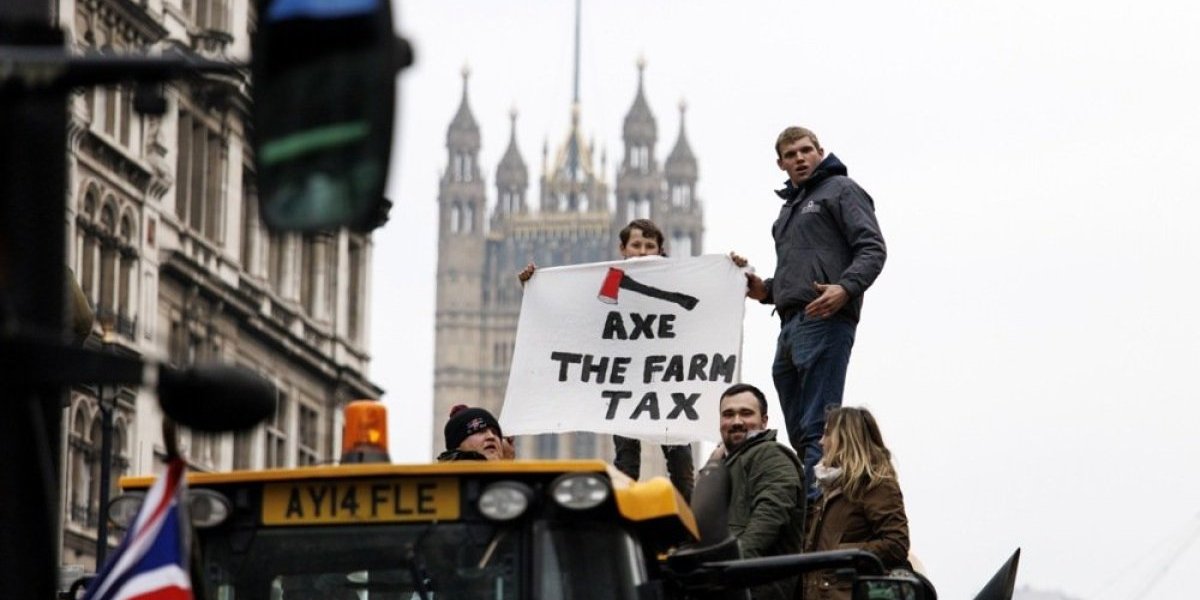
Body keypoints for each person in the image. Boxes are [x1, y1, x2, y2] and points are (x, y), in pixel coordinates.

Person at [519, 219, 721, 501]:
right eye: (636, 245)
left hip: (666, 384)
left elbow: (713, 299)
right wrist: (535, 284)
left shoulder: (678, 279)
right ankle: (624, 514)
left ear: (661, 250)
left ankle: (686, 523)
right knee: (626, 463)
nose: (642, 251)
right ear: (622, 248)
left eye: (649, 246)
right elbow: (575, 312)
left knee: (681, 463)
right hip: (623, 385)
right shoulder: (609, 278)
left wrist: (733, 270)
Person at [745, 126, 886, 497]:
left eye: (806, 150)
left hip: (823, 319)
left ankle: (815, 509)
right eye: (791, 155)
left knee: (818, 426)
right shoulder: (788, 208)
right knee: (799, 429)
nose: (800, 158)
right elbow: (800, 274)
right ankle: (814, 500)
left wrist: (846, 288)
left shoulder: (841, 190)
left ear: (820, 151)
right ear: (781, 163)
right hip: (789, 325)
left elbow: (872, 248)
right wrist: (764, 291)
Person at [700, 383, 805, 600]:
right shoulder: (725, 464)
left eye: (746, 413)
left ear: (764, 421)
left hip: (753, 590)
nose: (737, 421)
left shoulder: (771, 454)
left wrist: (727, 571)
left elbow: (769, 519)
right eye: (728, 414)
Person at [803, 406, 910, 600]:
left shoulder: (877, 485)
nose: (821, 442)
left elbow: (896, 544)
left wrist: (839, 554)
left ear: (845, 439)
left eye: (827, 434)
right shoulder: (825, 491)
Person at [437, 404, 504, 461]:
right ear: (457, 446)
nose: (491, 436)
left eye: (495, 432)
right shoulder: (443, 476)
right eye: (480, 431)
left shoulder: (511, 474)